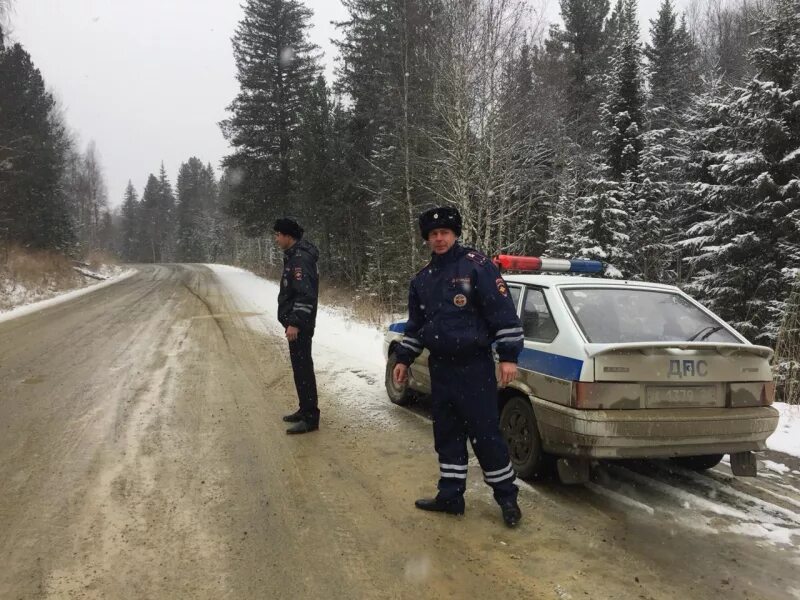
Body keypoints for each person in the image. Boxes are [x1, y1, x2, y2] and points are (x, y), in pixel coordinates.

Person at [393, 207, 524, 527]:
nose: (439, 239)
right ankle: (450, 496)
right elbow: (417, 325)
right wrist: (403, 358)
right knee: (447, 434)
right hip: (442, 368)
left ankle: (507, 498)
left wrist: (508, 356)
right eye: (433, 234)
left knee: (486, 436)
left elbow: (502, 312)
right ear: (427, 238)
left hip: (474, 367)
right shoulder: (423, 279)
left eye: (445, 233)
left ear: (455, 234)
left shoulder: (477, 267)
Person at [273, 217, 320, 434]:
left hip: (299, 325)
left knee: (303, 369)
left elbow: (305, 295)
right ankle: (305, 409)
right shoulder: (294, 257)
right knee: (300, 369)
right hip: (296, 324)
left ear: (288, 236)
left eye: (278, 234)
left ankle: (310, 417)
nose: (276, 238)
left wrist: (295, 323)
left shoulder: (299, 260)